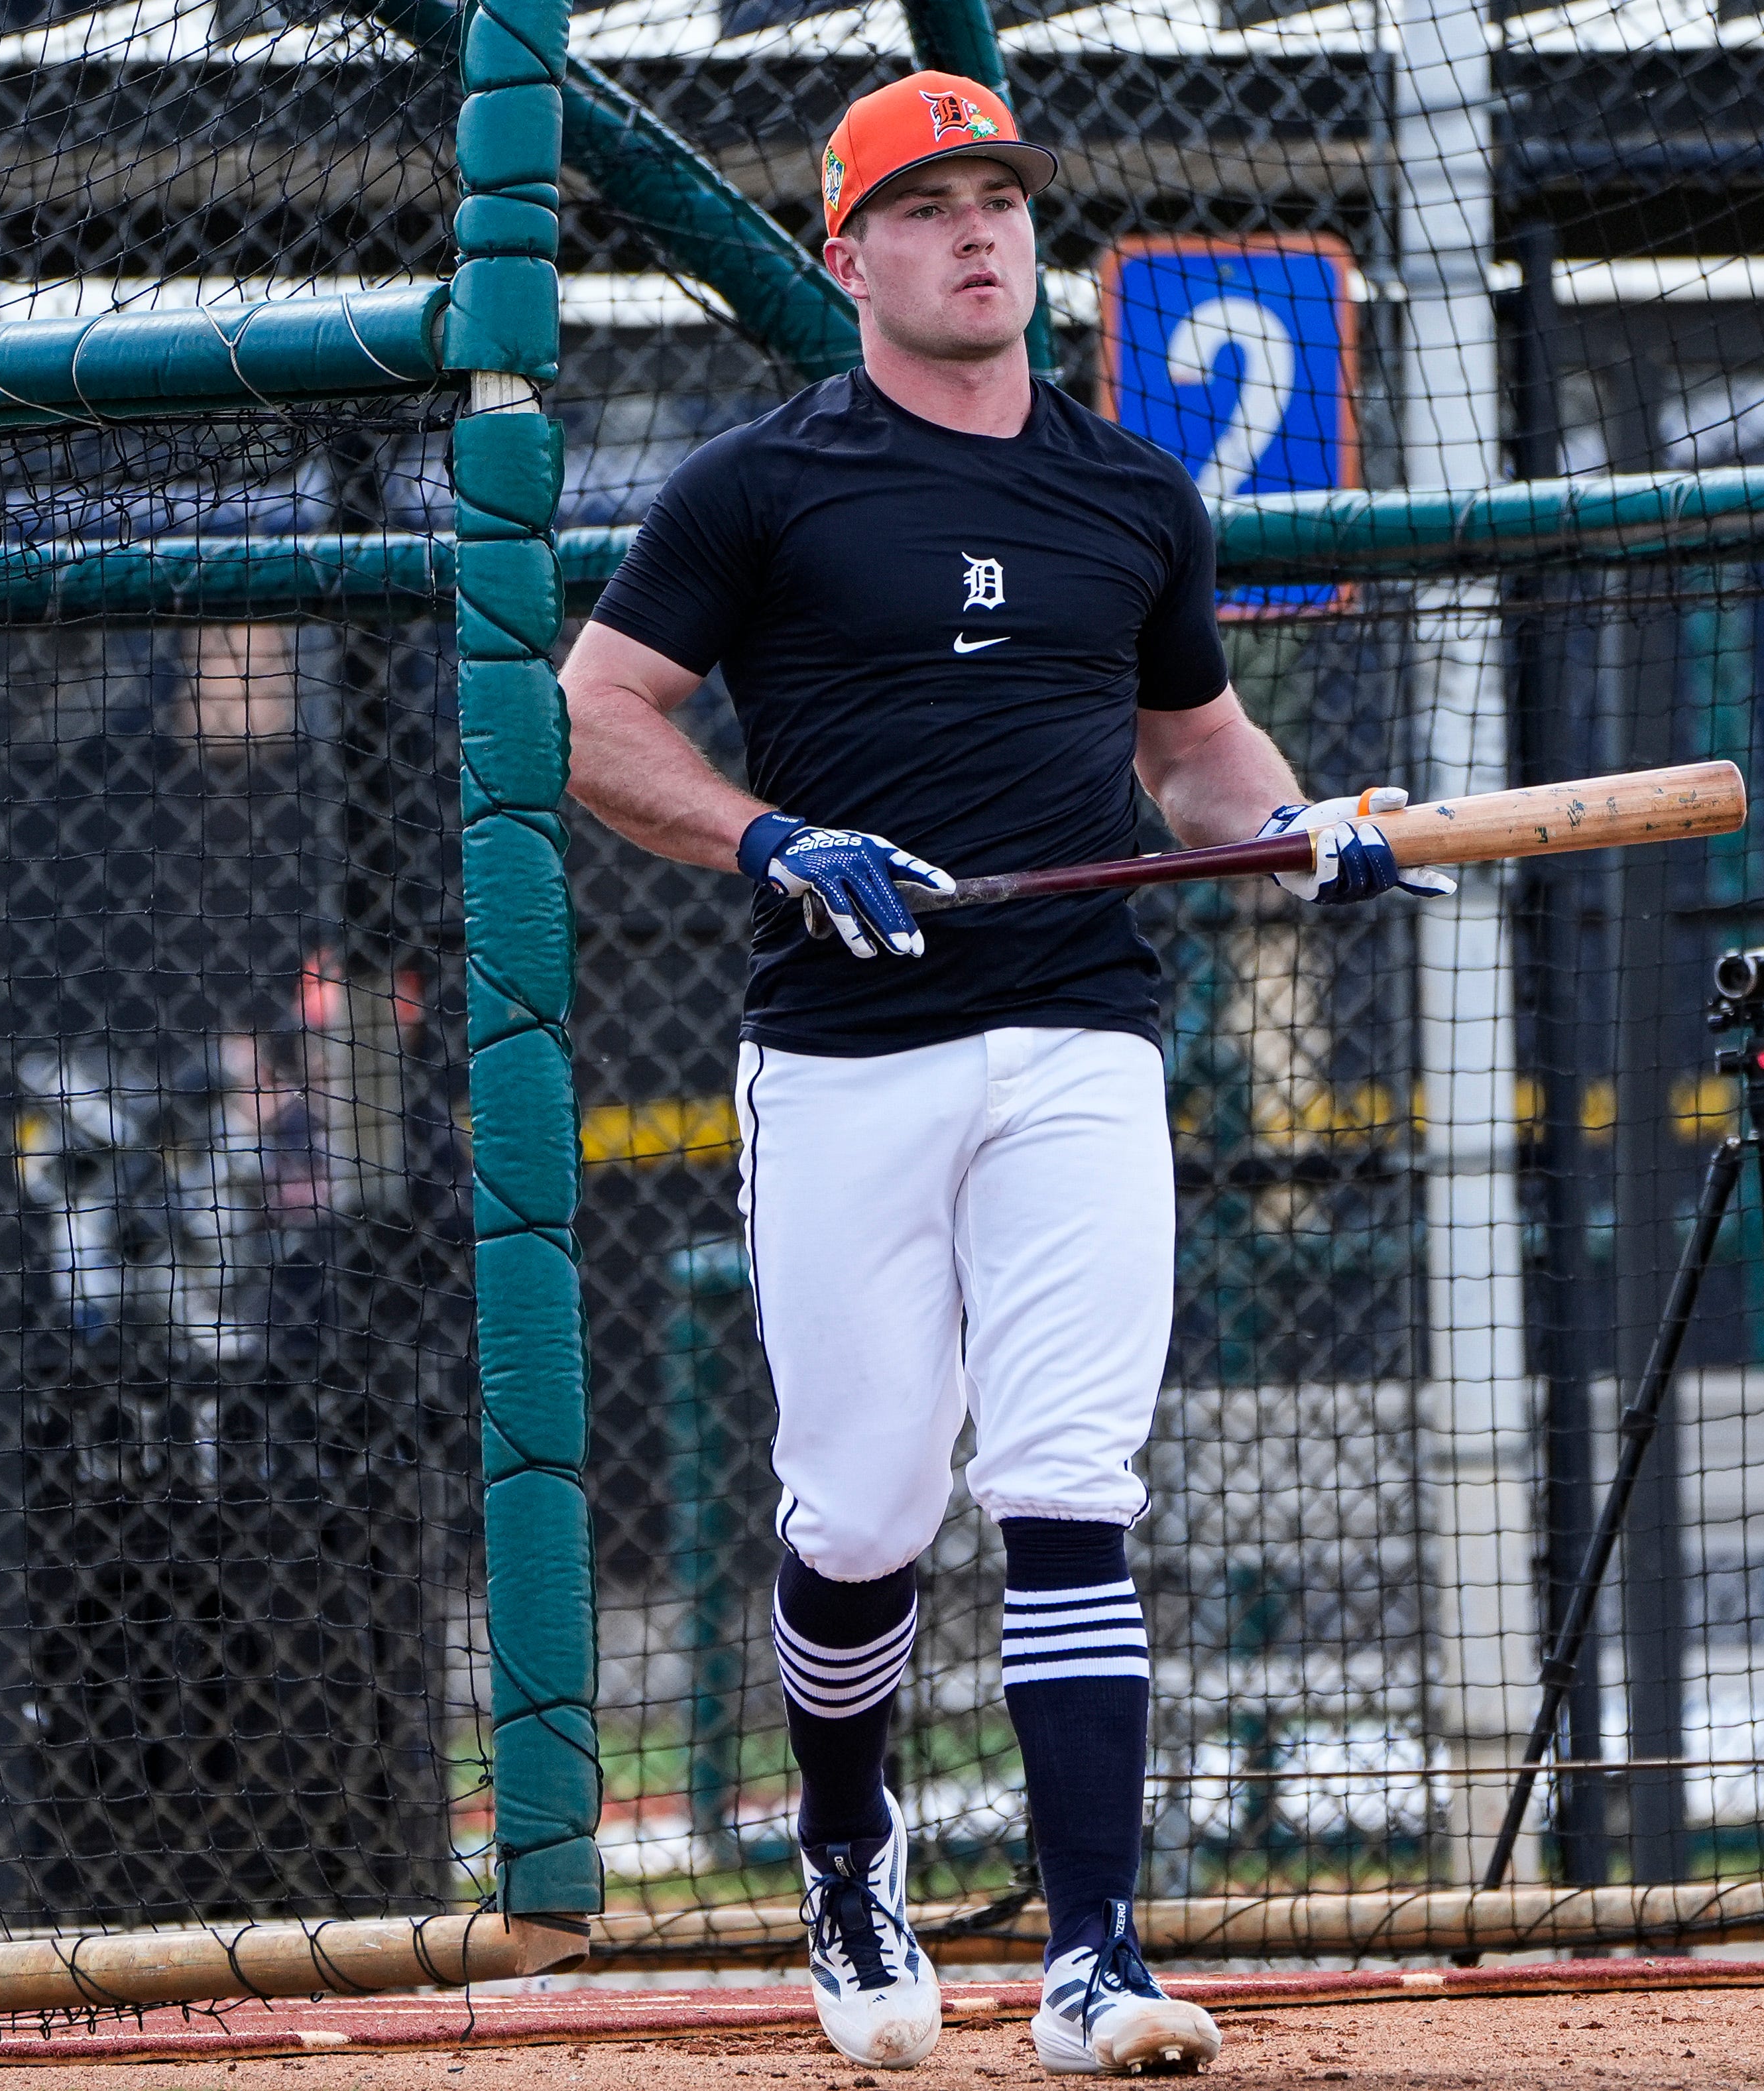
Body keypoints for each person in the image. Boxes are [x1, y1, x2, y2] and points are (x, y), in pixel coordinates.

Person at [559, 69, 1450, 2078]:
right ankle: (846, 1841)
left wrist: (1309, 830)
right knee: (864, 1505)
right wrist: (773, 840)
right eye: (929, 204)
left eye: (1001, 201)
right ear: (846, 251)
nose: (981, 233)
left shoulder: (1128, 491)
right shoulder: (758, 487)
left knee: (1065, 1480)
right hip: (847, 1046)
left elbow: (1202, 752)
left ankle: (1092, 1955)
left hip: (1076, 1034)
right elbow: (593, 719)